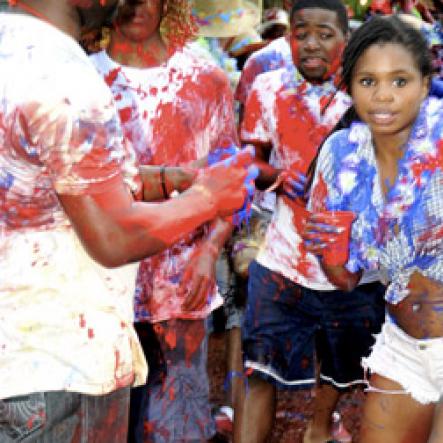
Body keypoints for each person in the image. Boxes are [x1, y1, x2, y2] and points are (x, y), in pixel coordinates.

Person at [0, 1, 254, 441]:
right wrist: (208, 197)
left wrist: (174, 180)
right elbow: (113, 236)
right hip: (59, 368)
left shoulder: (12, 45)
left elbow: (60, 183)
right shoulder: (67, 75)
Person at [89, 0, 241, 441]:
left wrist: (209, 252)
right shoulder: (82, 80)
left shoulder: (204, 79)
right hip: (102, 293)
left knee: (176, 427)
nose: (135, 5)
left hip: (180, 290)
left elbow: (233, 180)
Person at [238, 1, 386, 442]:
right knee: (259, 369)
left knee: (341, 373)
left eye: (325, 34)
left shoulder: (370, 93)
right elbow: (253, 159)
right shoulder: (267, 88)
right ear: (289, 39)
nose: (312, 44)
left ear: (346, 38)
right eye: (302, 33)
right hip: (282, 257)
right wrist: (279, 179)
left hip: (353, 268)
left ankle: (319, 429)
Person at [304, 14, 443, 443]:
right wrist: (329, 251)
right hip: (404, 343)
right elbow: (344, 279)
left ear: (425, 82)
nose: (384, 96)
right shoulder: (341, 153)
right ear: (349, 86)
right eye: (368, 81)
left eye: (399, 81)